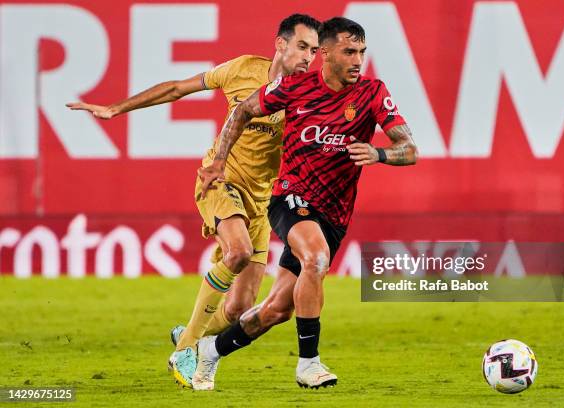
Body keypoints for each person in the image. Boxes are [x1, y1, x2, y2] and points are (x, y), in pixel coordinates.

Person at [66, 14, 321, 389]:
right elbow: (176, 89)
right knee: (236, 253)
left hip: (263, 200)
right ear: (280, 44)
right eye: (302, 47)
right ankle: (186, 349)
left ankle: (189, 331)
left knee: (237, 309)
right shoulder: (241, 70)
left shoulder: (309, 95)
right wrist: (116, 109)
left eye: (314, 51)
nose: (308, 57)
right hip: (220, 180)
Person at [195, 17, 418, 390]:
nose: (357, 61)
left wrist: (379, 154)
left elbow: (409, 149)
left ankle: (210, 350)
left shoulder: (373, 93)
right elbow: (243, 111)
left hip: (335, 213)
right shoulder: (294, 88)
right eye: (349, 52)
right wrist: (219, 159)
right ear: (325, 53)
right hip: (290, 197)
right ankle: (308, 364)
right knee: (315, 257)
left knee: (278, 309)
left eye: (362, 52)